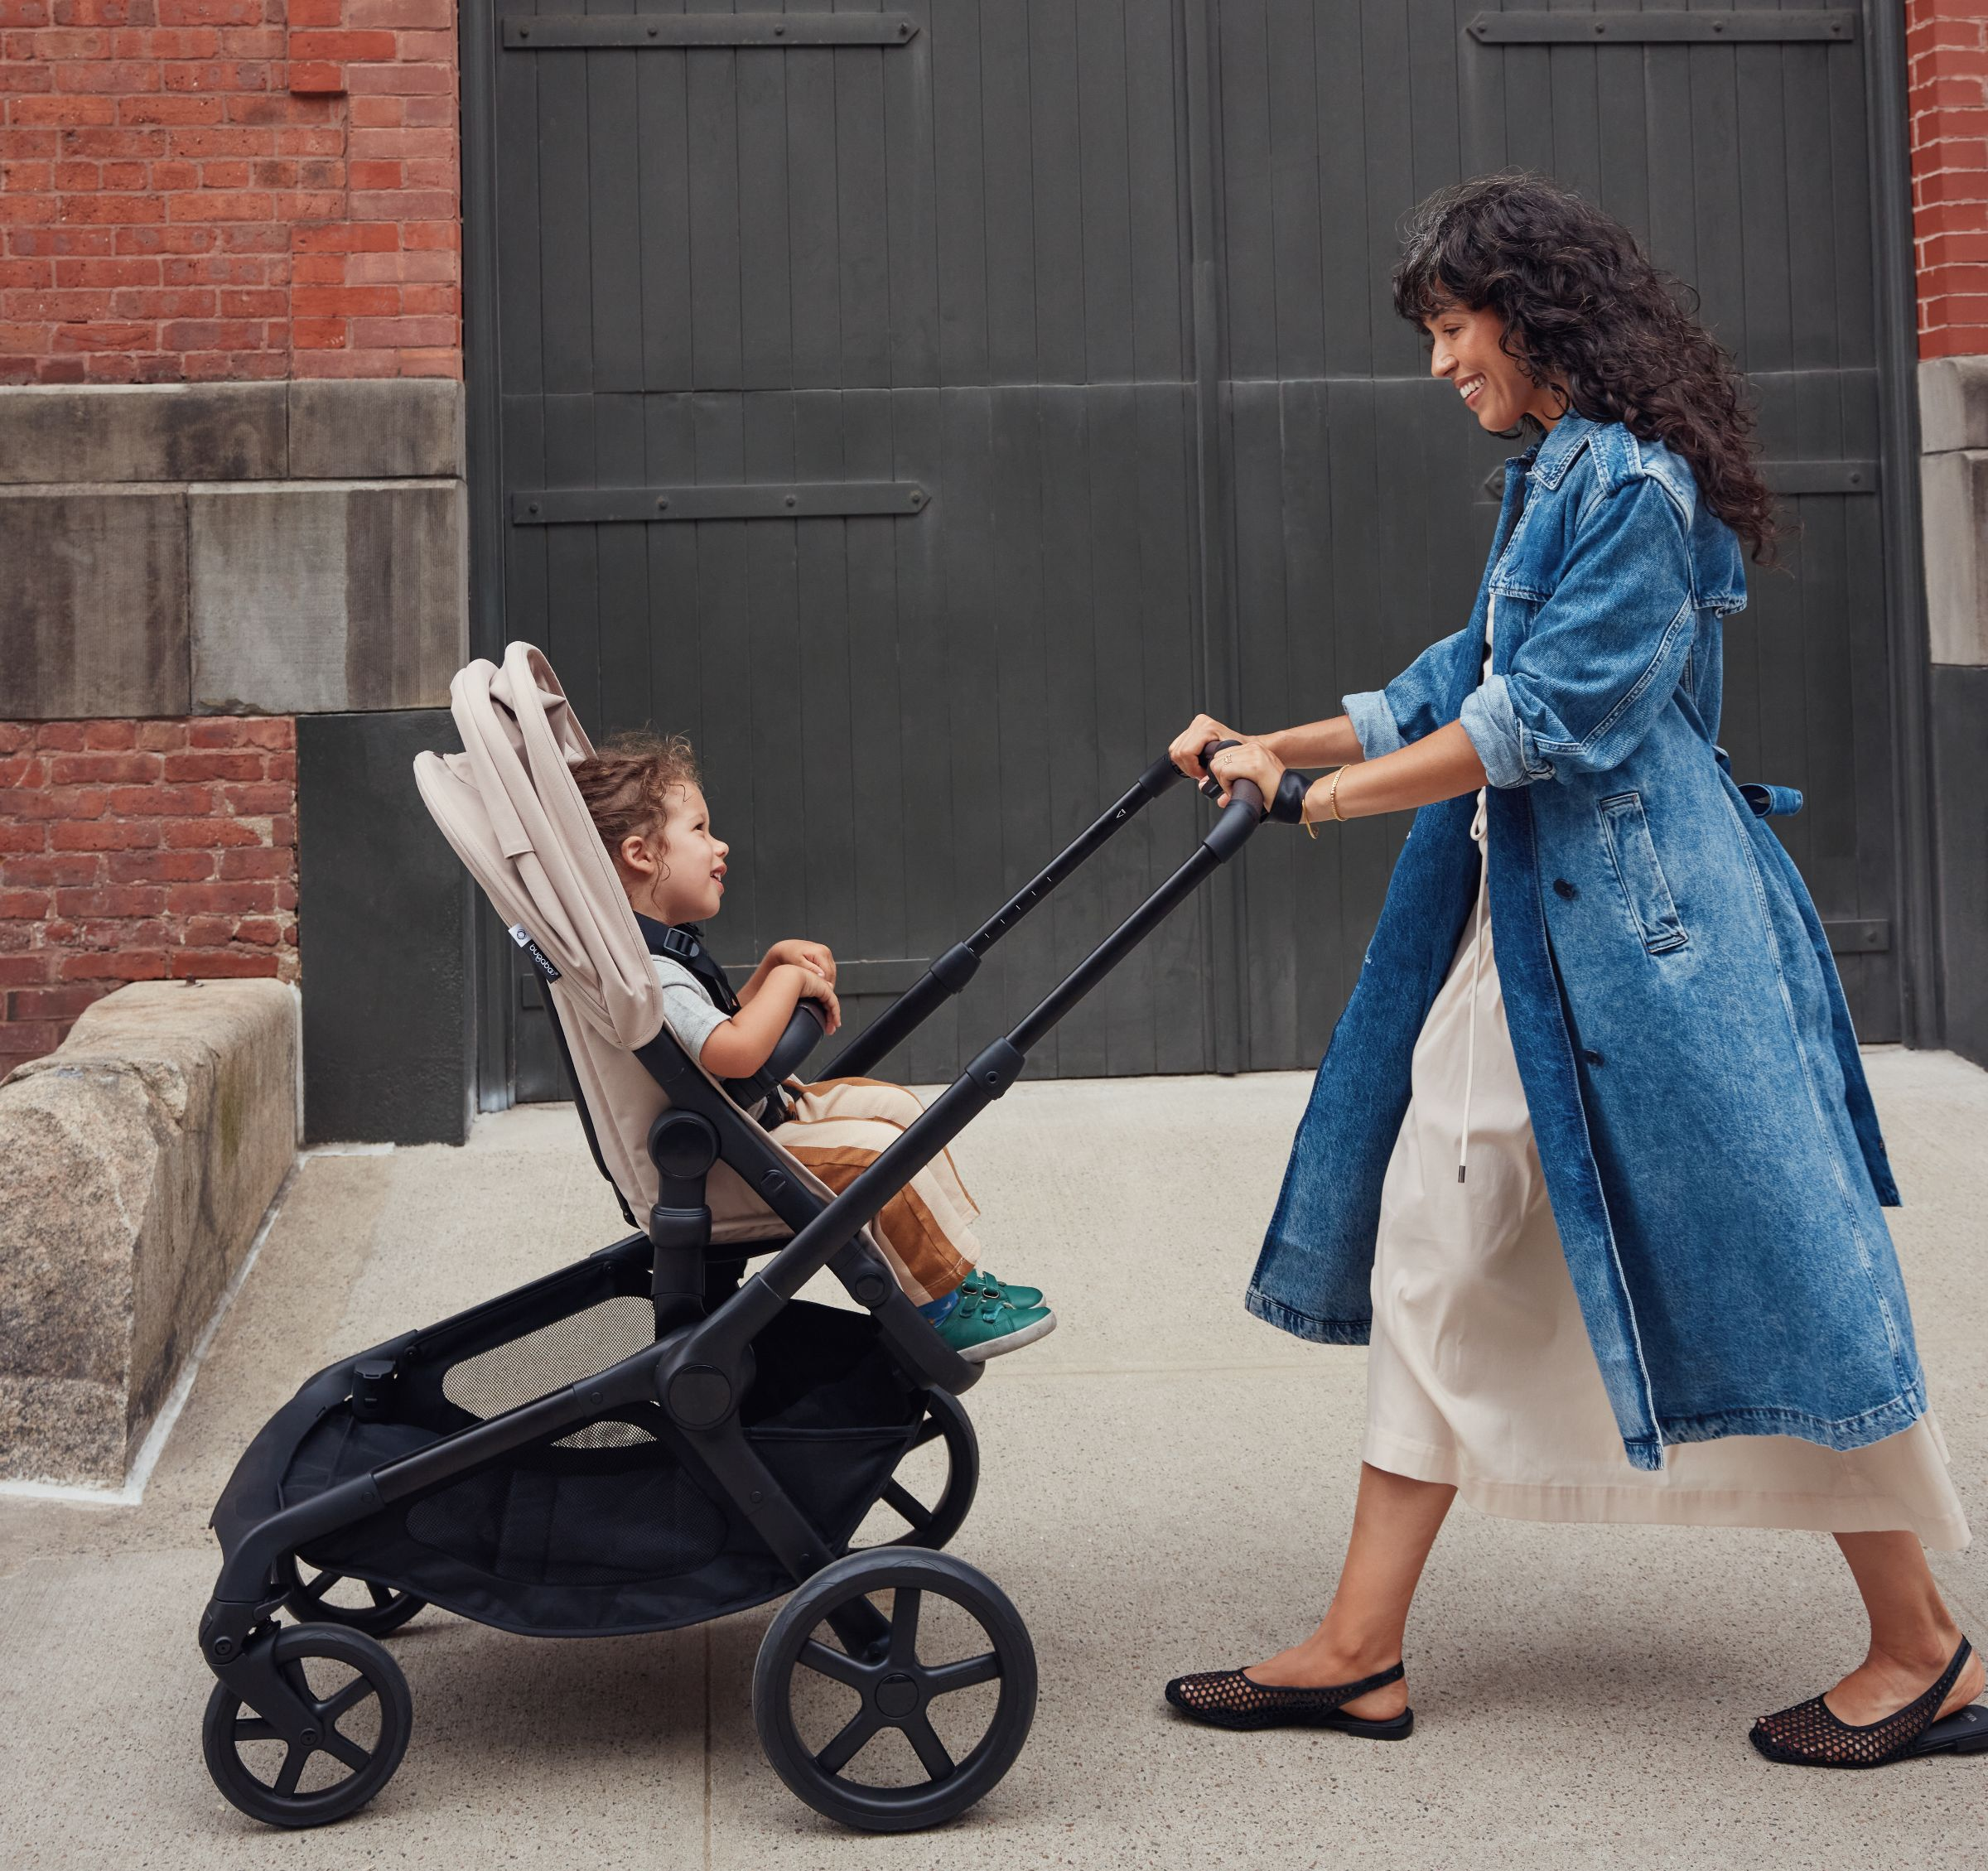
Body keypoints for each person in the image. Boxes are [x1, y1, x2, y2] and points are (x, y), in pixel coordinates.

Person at [1161, 171, 1982, 1769]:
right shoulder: (1558, 474)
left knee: (1781, 1280)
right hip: (1533, 933)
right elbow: (1457, 677)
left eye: (1452, 329)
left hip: (1651, 948)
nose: (1438, 364)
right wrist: (1281, 744)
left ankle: (1923, 1647)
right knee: (1437, 1248)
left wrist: (1317, 801)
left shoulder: (1640, 490)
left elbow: (1538, 723)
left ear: (1531, 318)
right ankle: (1358, 1649)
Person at [572, 733, 1055, 1362]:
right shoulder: (651, 973)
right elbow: (733, 1054)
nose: (720, 846)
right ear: (639, 855)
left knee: (893, 1109)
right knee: (874, 1156)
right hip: (717, 1166)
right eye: (699, 830)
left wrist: (770, 966)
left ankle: (950, 1275)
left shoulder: (657, 953)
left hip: (740, 1130)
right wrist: (788, 983)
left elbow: (712, 1032)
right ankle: (939, 1308)